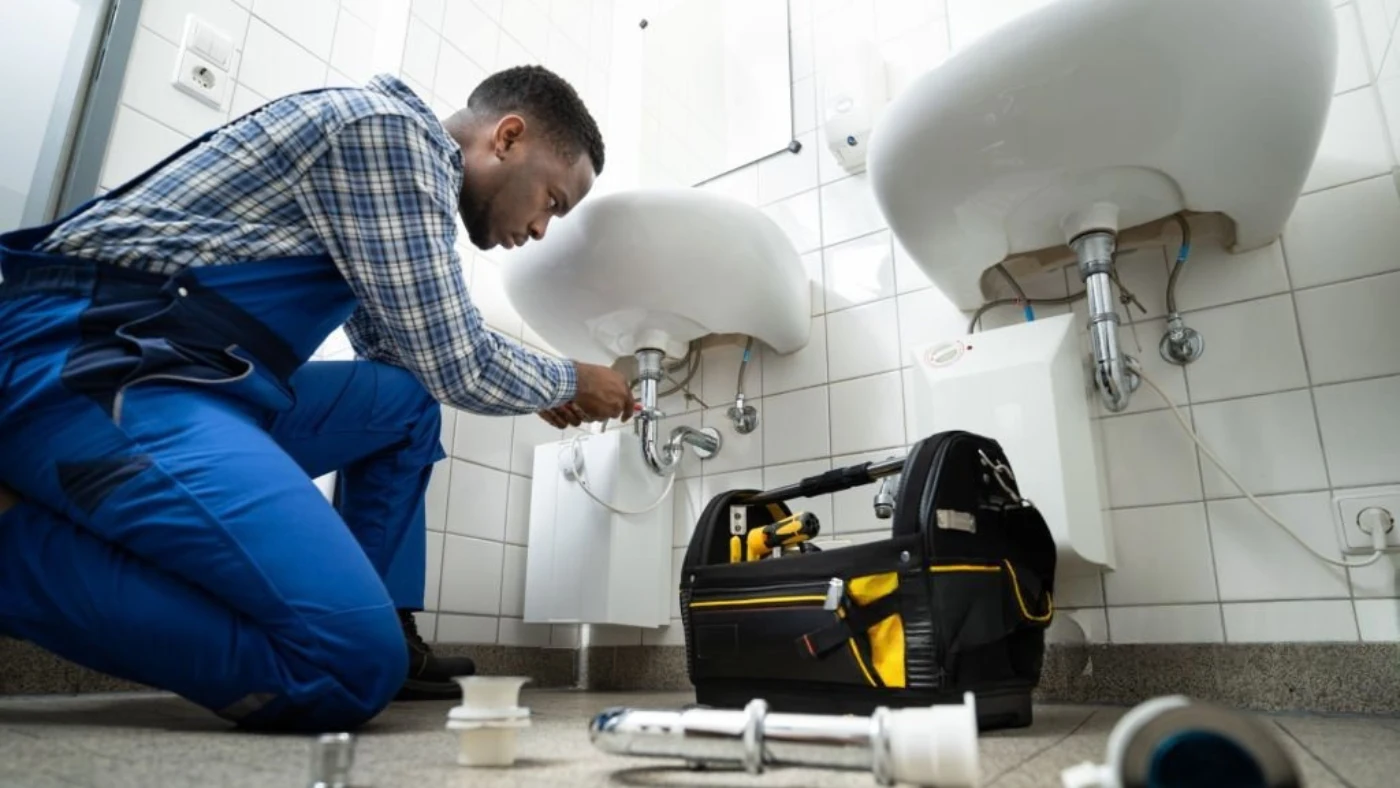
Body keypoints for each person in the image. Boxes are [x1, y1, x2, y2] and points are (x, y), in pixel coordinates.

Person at [0, 65, 635, 731]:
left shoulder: (391, 170)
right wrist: (570, 379)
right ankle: (17, 555)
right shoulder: (393, 137)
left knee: (405, 404)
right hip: (90, 363)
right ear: (507, 138)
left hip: (199, 376)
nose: (540, 229)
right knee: (348, 667)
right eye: (551, 201)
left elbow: (407, 358)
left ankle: (385, 623)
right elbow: (455, 359)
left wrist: (516, 383)